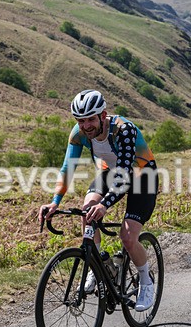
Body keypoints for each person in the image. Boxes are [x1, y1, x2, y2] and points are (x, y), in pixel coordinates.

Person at [38, 89, 159, 311]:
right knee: (87, 211)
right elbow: (68, 168)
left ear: (103, 115)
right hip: (110, 173)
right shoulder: (78, 133)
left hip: (142, 176)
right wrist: (55, 201)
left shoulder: (124, 130)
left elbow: (124, 175)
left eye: (91, 119)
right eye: (81, 121)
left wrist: (105, 205)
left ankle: (146, 280)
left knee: (128, 236)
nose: (86, 126)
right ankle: (99, 266)